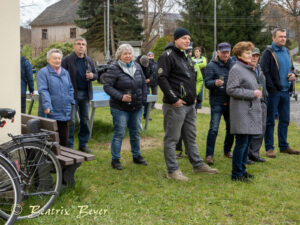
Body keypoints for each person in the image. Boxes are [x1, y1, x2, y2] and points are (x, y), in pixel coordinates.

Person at [158, 27, 217, 182]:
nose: (187, 41)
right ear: (176, 39)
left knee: (191, 137)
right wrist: (173, 99)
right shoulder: (167, 56)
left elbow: (192, 78)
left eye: (189, 39)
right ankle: (172, 170)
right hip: (175, 106)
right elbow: (162, 78)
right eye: (184, 38)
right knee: (172, 139)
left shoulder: (186, 56)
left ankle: (197, 165)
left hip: (190, 105)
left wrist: (194, 98)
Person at [104, 44, 148, 170]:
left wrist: (142, 100)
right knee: (119, 133)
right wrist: (121, 96)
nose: (128, 56)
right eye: (125, 53)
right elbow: (107, 86)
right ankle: (115, 159)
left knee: (135, 133)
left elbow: (144, 84)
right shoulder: (114, 68)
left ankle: (137, 156)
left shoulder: (137, 66)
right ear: (120, 55)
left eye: (130, 53)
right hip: (120, 108)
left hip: (136, 107)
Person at [261, 28, 300, 158]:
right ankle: (269, 148)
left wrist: (293, 75)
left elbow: (292, 69)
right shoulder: (268, 52)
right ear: (273, 38)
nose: (283, 38)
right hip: (274, 93)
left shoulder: (287, 52)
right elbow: (264, 72)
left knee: (285, 120)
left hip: (285, 92)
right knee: (270, 120)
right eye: (280, 36)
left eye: (284, 36)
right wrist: (272, 89)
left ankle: (283, 146)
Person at [226, 41, 262, 182]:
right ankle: (236, 174)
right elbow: (231, 89)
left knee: (246, 143)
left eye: (250, 52)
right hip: (241, 112)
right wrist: (252, 93)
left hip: (249, 111)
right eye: (247, 53)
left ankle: (242, 169)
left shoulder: (247, 68)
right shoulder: (236, 69)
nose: (251, 55)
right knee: (241, 144)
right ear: (239, 54)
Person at [62, 37, 97, 153]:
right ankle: (69, 146)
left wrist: (93, 76)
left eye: (83, 44)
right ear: (74, 46)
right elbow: (61, 76)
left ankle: (83, 144)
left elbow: (96, 74)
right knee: (71, 121)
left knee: (85, 120)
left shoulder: (89, 60)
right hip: (72, 95)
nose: (81, 46)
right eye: (78, 44)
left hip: (85, 94)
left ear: (86, 47)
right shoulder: (67, 60)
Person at [204, 42, 235, 165]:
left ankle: (227, 150)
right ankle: (209, 155)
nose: (226, 54)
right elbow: (207, 83)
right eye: (223, 52)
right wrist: (214, 83)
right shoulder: (211, 65)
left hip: (230, 101)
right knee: (213, 129)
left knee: (231, 128)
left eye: (227, 52)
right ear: (218, 52)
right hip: (217, 102)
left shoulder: (233, 64)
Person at [37, 49, 74, 147]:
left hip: (64, 110)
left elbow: (70, 88)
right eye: (54, 58)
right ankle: (52, 160)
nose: (57, 60)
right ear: (48, 60)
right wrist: (47, 106)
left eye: (59, 58)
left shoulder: (65, 72)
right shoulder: (43, 72)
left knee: (63, 139)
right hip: (51, 111)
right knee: (51, 140)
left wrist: (70, 101)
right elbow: (43, 90)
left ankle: (63, 160)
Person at [247, 47, 267, 164]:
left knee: (261, 128)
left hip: (262, 102)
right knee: (250, 130)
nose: (255, 58)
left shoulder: (259, 68)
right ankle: (246, 155)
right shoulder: (245, 69)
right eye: (253, 55)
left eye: (256, 56)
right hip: (250, 102)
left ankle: (255, 154)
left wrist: (265, 97)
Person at [135, 55, 151, 120]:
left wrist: (149, 78)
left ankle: (146, 116)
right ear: (140, 61)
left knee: (147, 100)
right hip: (138, 85)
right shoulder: (135, 65)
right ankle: (137, 117)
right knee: (138, 101)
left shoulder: (148, 62)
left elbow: (152, 72)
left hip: (146, 85)